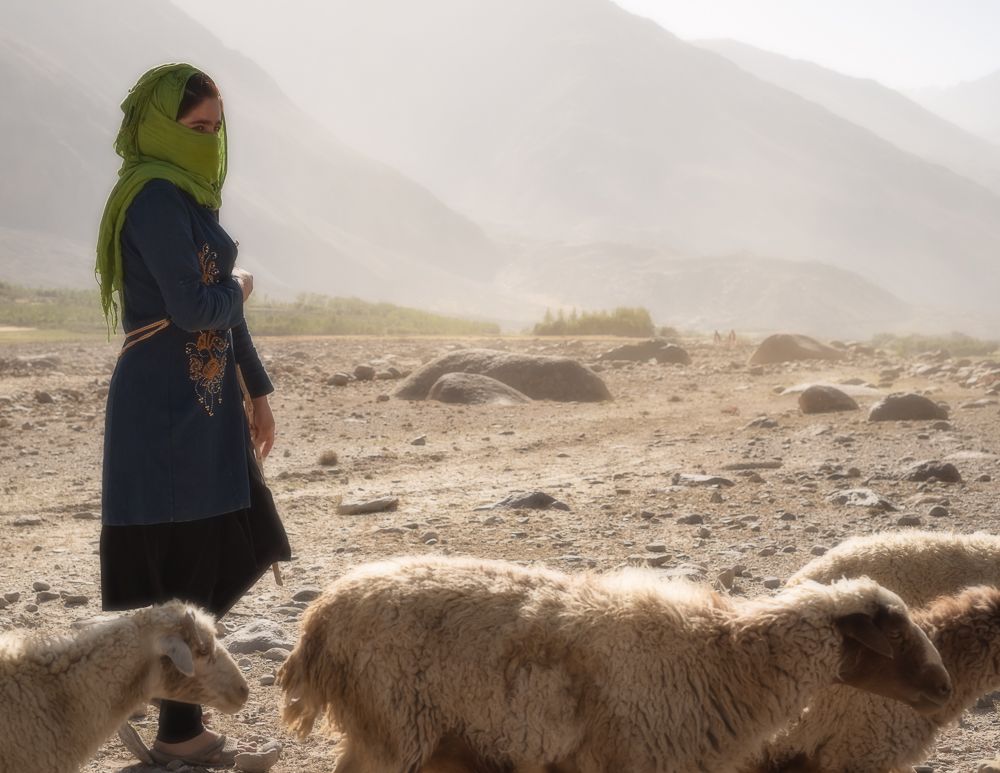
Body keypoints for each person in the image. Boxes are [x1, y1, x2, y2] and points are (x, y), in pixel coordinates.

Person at [95, 63, 291, 769]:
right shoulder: (151, 197)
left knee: (237, 547)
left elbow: (225, 315)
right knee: (186, 565)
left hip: (205, 409)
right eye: (195, 127)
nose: (207, 140)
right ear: (159, 128)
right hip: (163, 409)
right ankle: (177, 726)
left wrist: (257, 391)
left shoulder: (190, 201)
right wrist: (239, 287)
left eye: (215, 128)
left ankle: (160, 699)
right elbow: (194, 305)